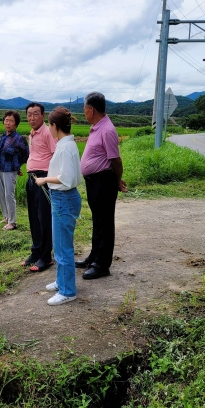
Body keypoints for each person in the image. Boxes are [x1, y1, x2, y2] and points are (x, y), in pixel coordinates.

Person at [76, 92, 127, 279]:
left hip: (103, 181)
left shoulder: (106, 130)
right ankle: (94, 257)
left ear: (91, 109)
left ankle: (102, 264)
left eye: (84, 110)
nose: (84, 113)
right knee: (97, 221)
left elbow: (116, 160)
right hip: (94, 181)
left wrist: (116, 180)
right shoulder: (97, 127)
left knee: (105, 223)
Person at [35, 107, 82, 305]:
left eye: (49, 124)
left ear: (55, 126)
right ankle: (62, 281)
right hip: (62, 198)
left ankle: (68, 290)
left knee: (63, 247)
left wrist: (44, 179)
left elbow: (66, 178)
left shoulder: (65, 147)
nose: (48, 128)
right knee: (60, 244)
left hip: (63, 198)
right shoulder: (66, 144)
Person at [24, 102, 57, 272]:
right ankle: (36, 252)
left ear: (43, 116)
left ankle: (46, 257)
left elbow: (56, 155)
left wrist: (49, 179)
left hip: (43, 179)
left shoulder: (47, 133)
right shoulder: (32, 134)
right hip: (32, 178)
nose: (32, 117)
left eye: (35, 114)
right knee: (34, 218)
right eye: (29, 114)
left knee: (44, 219)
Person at [0, 110, 29, 231]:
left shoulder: (19, 138)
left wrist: (18, 165)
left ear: (16, 124)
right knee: (0, 194)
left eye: (11, 121)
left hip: (10, 170)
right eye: (6, 120)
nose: (8, 123)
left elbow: (26, 154)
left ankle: (12, 222)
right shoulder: (3, 136)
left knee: (9, 195)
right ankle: (6, 217)